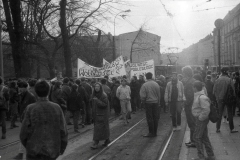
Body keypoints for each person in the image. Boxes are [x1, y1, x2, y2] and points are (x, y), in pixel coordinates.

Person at [20, 80, 68, 160]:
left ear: (36, 91)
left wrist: (29, 146)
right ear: (49, 92)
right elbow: (63, 131)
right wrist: (61, 148)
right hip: (52, 151)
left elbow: (23, 133)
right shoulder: (57, 108)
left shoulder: (30, 108)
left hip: (33, 151)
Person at [192, 81, 215, 160]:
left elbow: (206, 110)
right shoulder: (200, 96)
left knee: (197, 137)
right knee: (204, 137)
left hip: (201, 119)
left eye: (193, 87)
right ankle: (211, 155)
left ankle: (201, 157)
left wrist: (200, 118)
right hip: (202, 119)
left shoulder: (201, 97)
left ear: (195, 87)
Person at [14, 80, 36, 160]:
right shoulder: (22, 95)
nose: (19, 89)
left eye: (21, 88)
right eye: (19, 87)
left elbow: (33, 108)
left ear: (25, 88)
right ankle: (21, 153)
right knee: (24, 136)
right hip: (25, 119)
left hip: (29, 119)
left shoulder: (30, 96)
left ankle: (23, 154)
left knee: (26, 136)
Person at [213, 67, 238, 133]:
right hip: (228, 99)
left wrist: (217, 97)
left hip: (220, 98)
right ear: (226, 72)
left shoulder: (217, 80)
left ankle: (217, 128)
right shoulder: (229, 80)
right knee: (230, 113)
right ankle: (231, 128)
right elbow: (233, 91)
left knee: (219, 113)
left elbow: (214, 91)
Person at [140, 72, 160, 137]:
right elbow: (159, 94)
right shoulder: (156, 84)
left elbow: (143, 96)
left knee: (149, 118)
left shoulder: (144, 85)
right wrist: (158, 102)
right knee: (155, 117)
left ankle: (151, 132)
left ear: (146, 77)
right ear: (152, 76)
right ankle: (155, 132)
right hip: (155, 102)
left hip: (148, 103)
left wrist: (143, 102)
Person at [91, 82, 110, 149]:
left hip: (102, 115)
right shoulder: (94, 94)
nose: (96, 88)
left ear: (100, 87)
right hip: (96, 115)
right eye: (95, 86)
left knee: (97, 129)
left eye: (98, 86)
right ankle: (107, 139)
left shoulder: (103, 95)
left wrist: (97, 101)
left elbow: (105, 105)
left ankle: (95, 142)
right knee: (103, 128)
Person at [182, 66, 196, 147]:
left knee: (192, 123)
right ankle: (192, 140)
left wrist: (185, 104)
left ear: (186, 73)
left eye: (183, 73)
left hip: (190, 106)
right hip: (191, 105)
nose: (182, 74)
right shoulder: (191, 81)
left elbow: (190, 96)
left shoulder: (190, 82)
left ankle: (194, 141)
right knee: (192, 123)